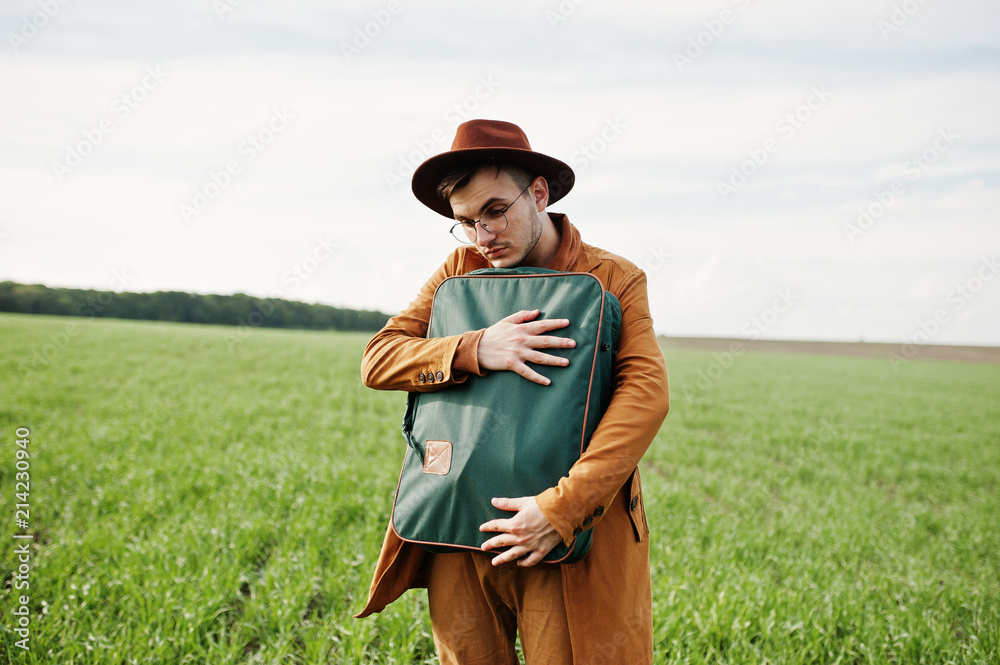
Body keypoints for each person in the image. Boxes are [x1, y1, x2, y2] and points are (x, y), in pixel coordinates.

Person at [356, 118, 669, 664]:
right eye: (466, 222)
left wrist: (560, 510)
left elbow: (644, 395)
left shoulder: (614, 276)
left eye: (495, 211)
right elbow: (379, 358)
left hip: (570, 529)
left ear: (539, 192)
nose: (483, 236)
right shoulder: (460, 270)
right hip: (459, 518)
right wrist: (477, 348)